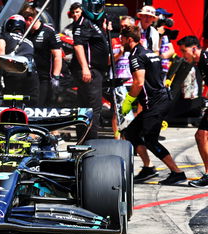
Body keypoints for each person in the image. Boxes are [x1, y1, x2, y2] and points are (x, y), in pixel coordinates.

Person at [120, 25, 186, 185]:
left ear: (129, 39)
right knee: (131, 133)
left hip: (156, 103)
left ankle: (177, 173)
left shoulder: (136, 56)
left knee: (151, 140)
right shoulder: (149, 52)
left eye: (122, 39)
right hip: (159, 100)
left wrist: (128, 101)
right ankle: (148, 168)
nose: (121, 42)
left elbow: (139, 82)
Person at [71, 0, 109, 140]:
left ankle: (84, 142)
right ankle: (91, 143)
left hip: (96, 72)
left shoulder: (94, 23)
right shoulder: (83, 22)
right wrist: (85, 68)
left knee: (87, 109)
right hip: (90, 72)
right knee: (93, 110)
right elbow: (78, 45)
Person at [177, 36, 208, 187]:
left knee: (201, 135)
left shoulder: (206, 59)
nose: (183, 55)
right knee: (201, 135)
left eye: (184, 51)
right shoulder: (199, 62)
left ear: (194, 48)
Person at [19, 4, 62, 106]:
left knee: (38, 107)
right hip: (27, 77)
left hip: (44, 79)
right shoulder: (25, 32)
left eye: (24, 23)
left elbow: (57, 56)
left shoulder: (49, 31)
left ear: (30, 19)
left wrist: (56, 77)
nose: (23, 25)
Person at [0, 14, 39, 106]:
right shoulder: (29, 41)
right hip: (32, 74)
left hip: (14, 72)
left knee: (9, 103)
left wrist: (0, 74)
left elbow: (0, 52)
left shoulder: (4, 36)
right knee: (30, 107)